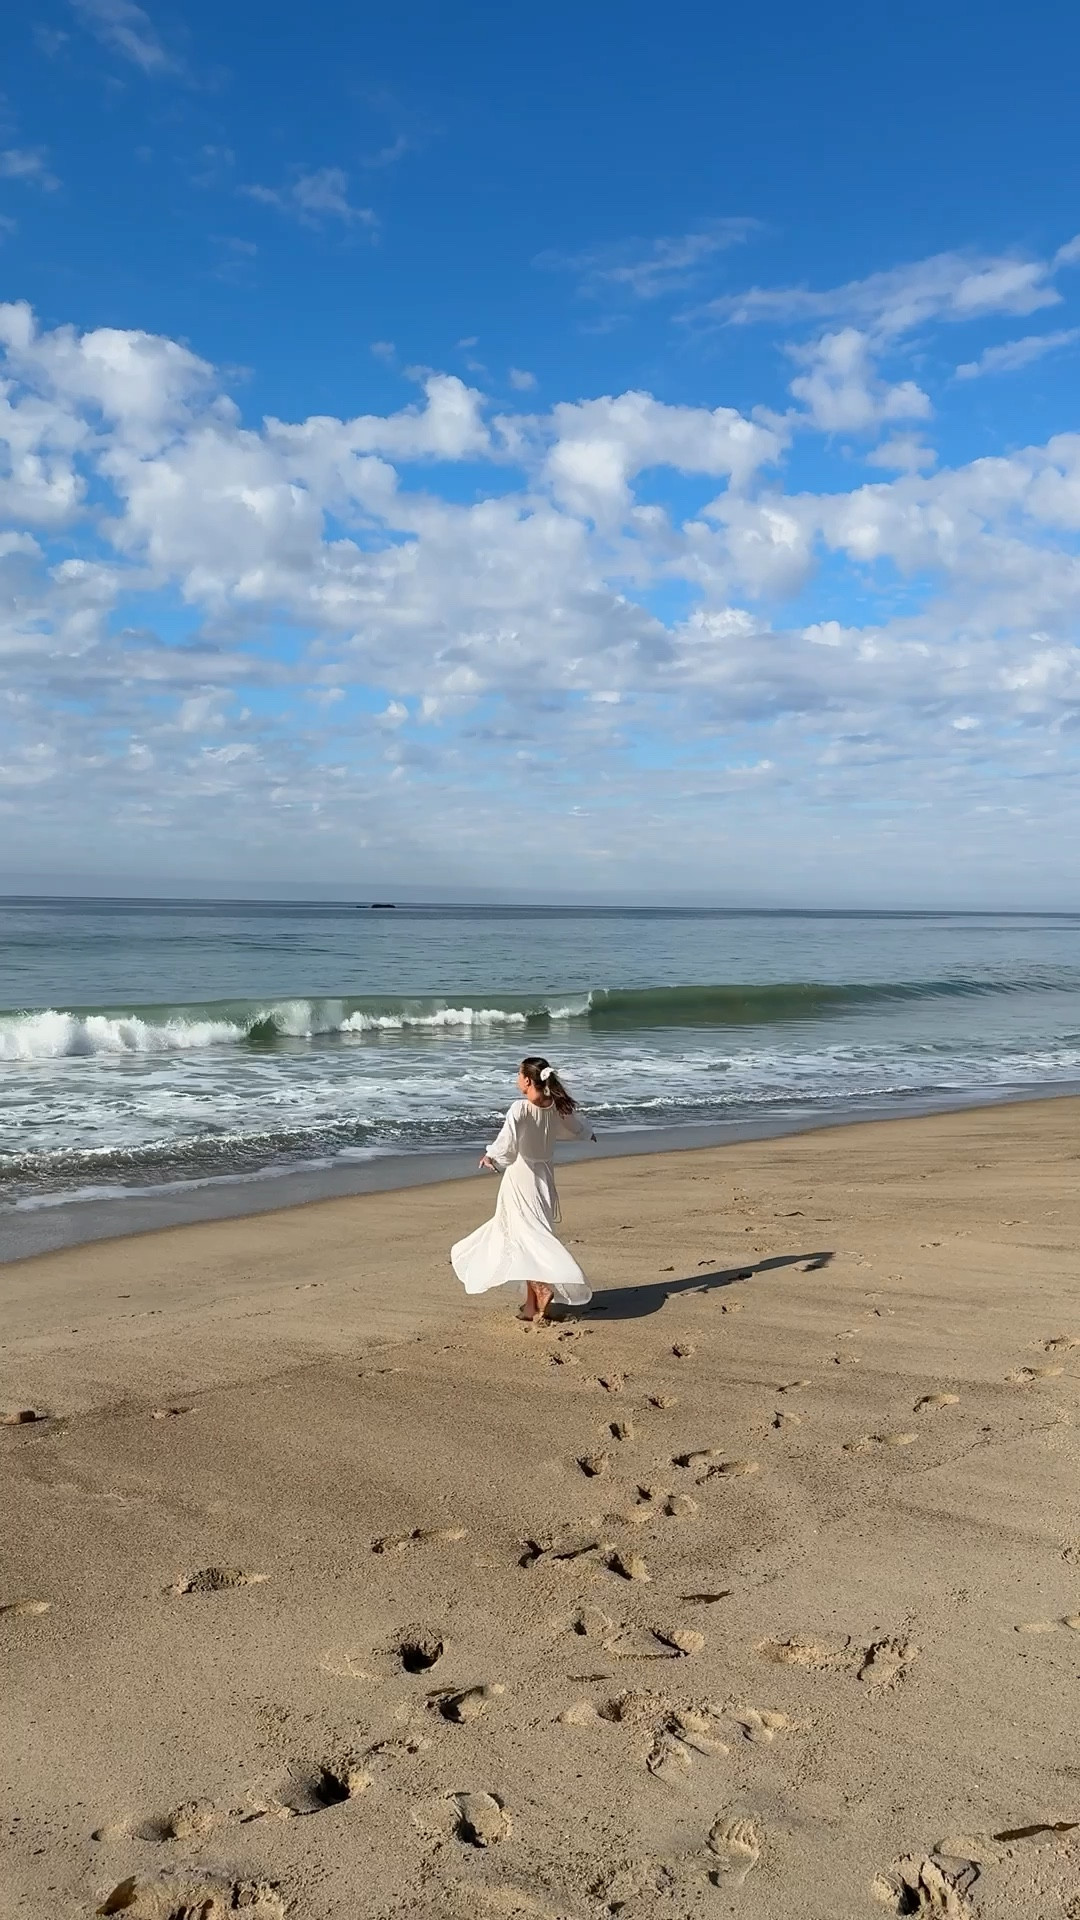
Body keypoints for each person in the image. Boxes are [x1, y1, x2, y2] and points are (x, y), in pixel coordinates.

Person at [451, 1056, 596, 1322]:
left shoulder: (520, 1108)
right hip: (544, 1177)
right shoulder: (555, 1105)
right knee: (529, 1236)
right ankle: (531, 1308)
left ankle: (542, 1287)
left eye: (518, 1075)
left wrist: (491, 1157)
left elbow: (507, 1143)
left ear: (528, 1080)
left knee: (523, 1238)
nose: (516, 1079)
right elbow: (576, 1127)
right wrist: (588, 1133)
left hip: (520, 1178)